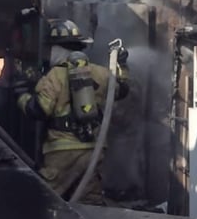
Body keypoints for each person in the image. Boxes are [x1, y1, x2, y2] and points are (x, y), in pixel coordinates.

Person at [15, 19, 129, 205]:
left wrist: (21, 97)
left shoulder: (55, 75)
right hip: (93, 150)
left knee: (46, 201)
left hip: (62, 153)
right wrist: (122, 67)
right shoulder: (100, 73)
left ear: (57, 49)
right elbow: (122, 90)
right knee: (90, 204)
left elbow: (39, 110)